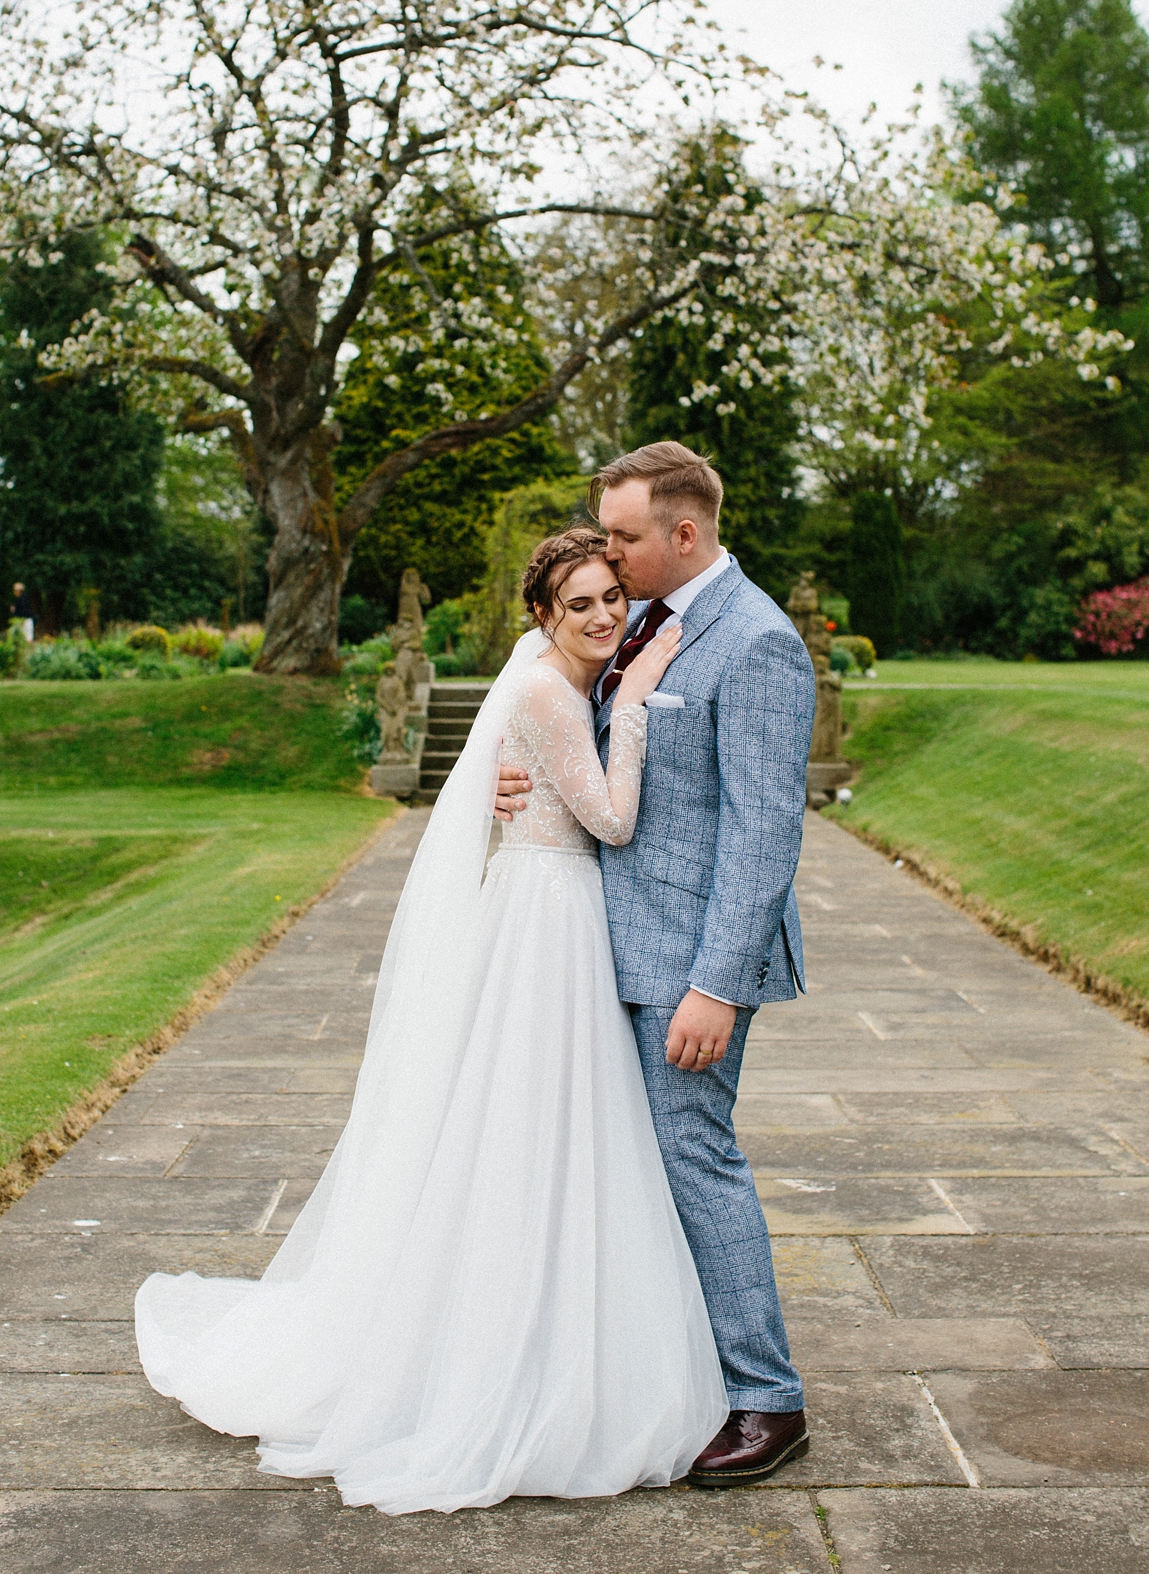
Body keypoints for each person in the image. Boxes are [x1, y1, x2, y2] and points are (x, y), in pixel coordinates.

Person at [135, 528, 728, 1515]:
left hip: (553, 911)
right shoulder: (551, 687)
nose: (600, 616)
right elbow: (612, 820)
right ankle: (509, 1350)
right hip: (548, 920)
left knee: (547, 1132)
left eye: (609, 597)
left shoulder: (554, 679)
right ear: (541, 616)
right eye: (577, 603)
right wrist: (628, 710)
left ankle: (541, 1324)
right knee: (533, 1128)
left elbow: (535, 786)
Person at [496, 442, 816, 1487]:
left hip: (687, 963)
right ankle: (671, 1373)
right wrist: (518, 786)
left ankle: (768, 1398)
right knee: (625, 1168)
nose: (610, 555)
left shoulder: (757, 642)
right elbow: (578, 728)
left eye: (625, 536)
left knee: (693, 1156)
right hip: (604, 942)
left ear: (684, 534)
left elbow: (765, 835)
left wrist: (716, 986)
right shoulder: (640, 619)